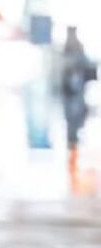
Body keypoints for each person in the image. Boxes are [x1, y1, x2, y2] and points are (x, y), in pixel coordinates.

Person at [59, 26, 91, 174]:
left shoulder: (78, 50)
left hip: (77, 94)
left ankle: (74, 146)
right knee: (71, 119)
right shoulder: (66, 51)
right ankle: (72, 146)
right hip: (69, 94)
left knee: (76, 118)